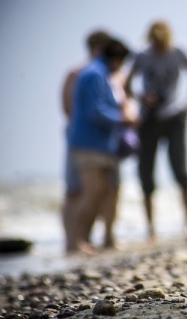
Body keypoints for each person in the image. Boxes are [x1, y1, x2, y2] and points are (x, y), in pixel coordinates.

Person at [125, 20, 187, 243]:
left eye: (162, 45)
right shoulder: (141, 55)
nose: (159, 49)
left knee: (181, 171)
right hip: (149, 119)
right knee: (146, 172)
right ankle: (150, 230)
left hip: (174, 117)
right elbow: (127, 85)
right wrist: (141, 98)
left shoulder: (179, 51)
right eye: (155, 45)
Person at [68, 38, 135, 254]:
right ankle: (77, 242)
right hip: (89, 144)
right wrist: (124, 119)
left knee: (102, 192)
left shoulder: (99, 73)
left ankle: (86, 241)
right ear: (116, 59)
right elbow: (96, 111)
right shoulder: (94, 74)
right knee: (90, 193)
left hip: (103, 145)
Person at [60, 30, 114, 252]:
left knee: (93, 191)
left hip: (93, 140)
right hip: (82, 140)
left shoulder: (99, 73)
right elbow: (68, 108)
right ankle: (72, 241)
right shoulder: (79, 72)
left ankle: (81, 239)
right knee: (76, 191)